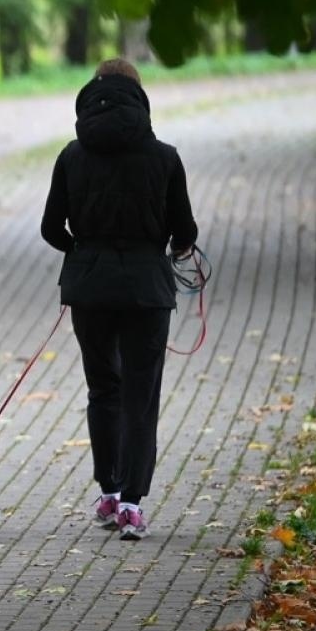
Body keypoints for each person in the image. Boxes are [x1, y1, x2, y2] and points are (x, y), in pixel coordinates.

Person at [41, 58, 198, 541]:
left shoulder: (71, 155)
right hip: (147, 291)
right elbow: (184, 231)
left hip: (89, 291)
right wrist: (170, 248)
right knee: (140, 395)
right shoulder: (165, 157)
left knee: (102, 388)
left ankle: (108, 491)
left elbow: (52, 229)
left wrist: (85, 252)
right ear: (140, 97)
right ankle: (132, 501)